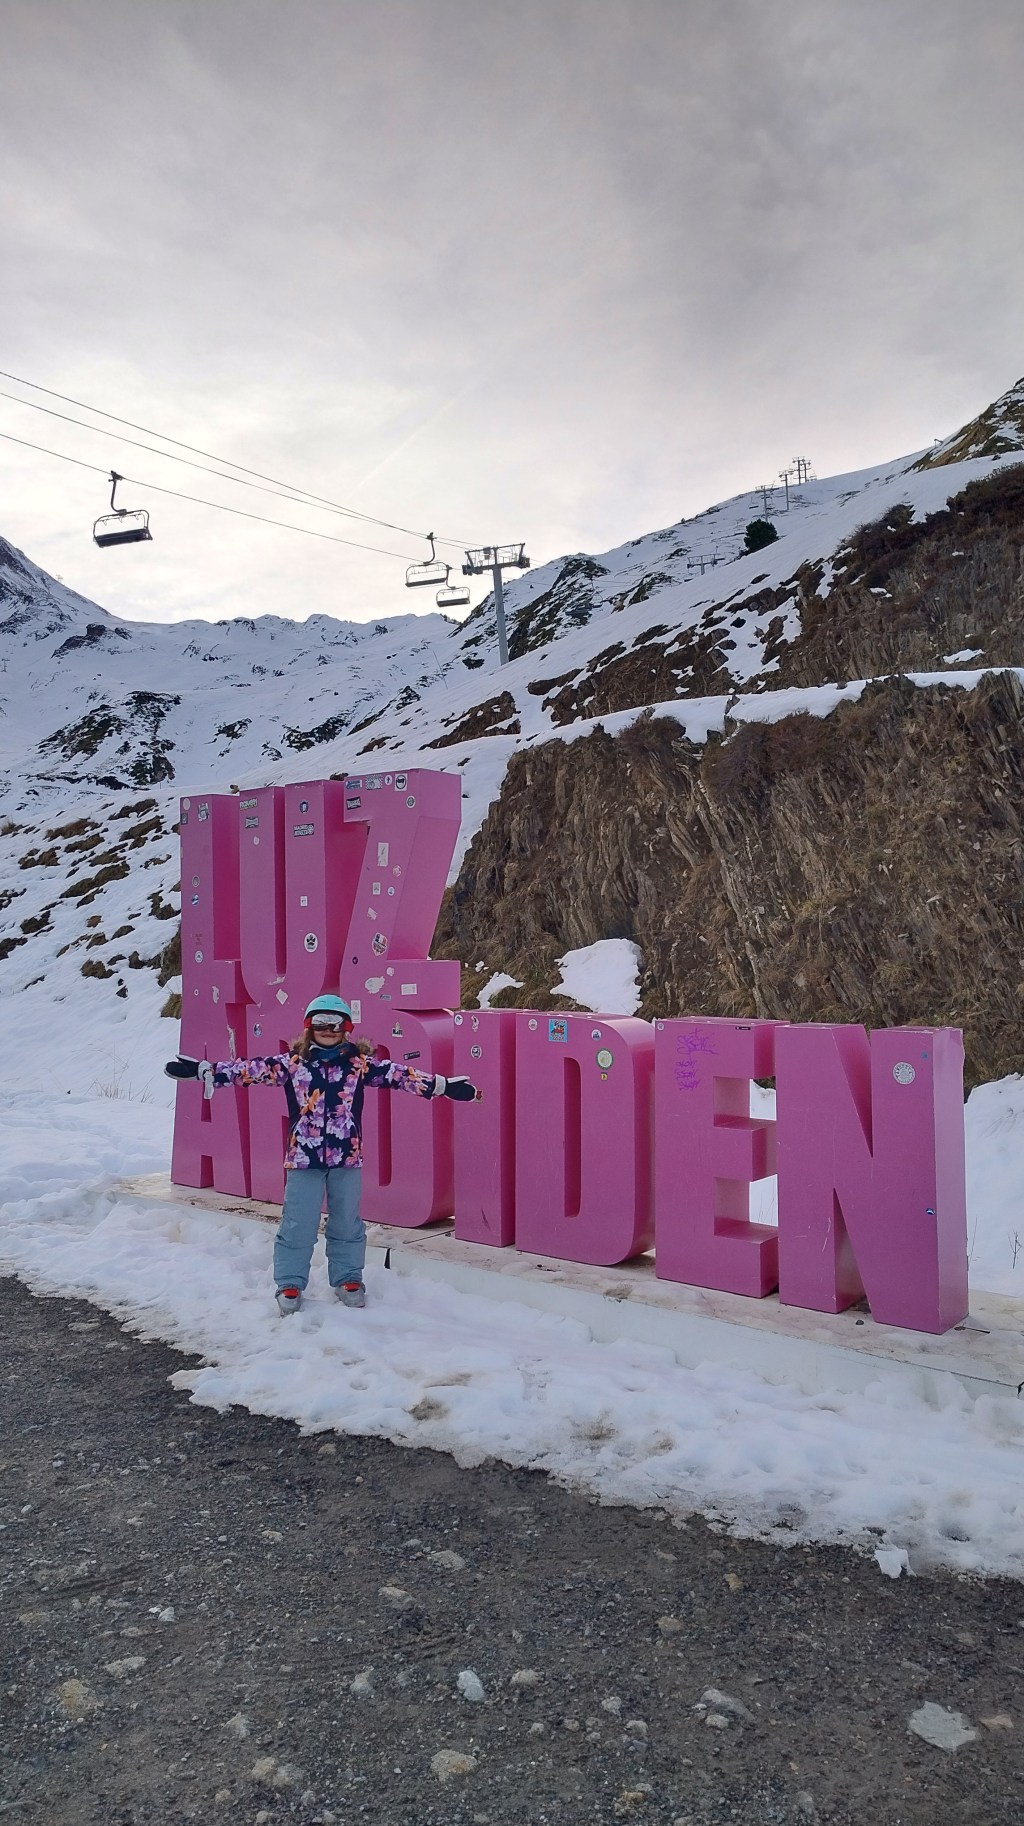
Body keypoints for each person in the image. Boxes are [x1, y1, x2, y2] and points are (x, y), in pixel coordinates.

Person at [165, 993, 480, 1315]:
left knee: (347, 1222)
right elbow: (247, 1070)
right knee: (298, 1223)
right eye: (320, 1022)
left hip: (347, 1158)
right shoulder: (291, 1064)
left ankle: (347, 1278)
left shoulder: (359, 1065)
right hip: (304, 1159)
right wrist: (205, 1070)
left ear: (346, 1028)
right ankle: (289, 1281)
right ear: (308, 1026)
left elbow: (400, 1075)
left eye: (336, 1023)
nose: (328, 1029)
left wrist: (443, 1086)